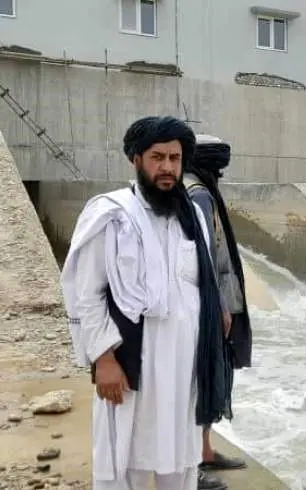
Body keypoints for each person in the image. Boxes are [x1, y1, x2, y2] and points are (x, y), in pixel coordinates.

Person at [60, 116, 232, 490]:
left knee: (180, 459)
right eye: (157, 157)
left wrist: (217, 307)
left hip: (184, 366)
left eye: (175, 158)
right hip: (133, 364)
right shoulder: (111, 214)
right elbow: (87, 293)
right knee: (127, 459)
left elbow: (198, 280)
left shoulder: (191, 216)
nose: (167, 167)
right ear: (135, 159)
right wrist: (103, 358)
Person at [183, 134, 253, 489]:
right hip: (209, 306)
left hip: (206, 303)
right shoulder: (198, 192)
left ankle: (204, 452)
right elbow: (205, 256)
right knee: (203, 382)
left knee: (208, 378)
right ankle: (190, 463)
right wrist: (220, 306)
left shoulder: (192, 187)